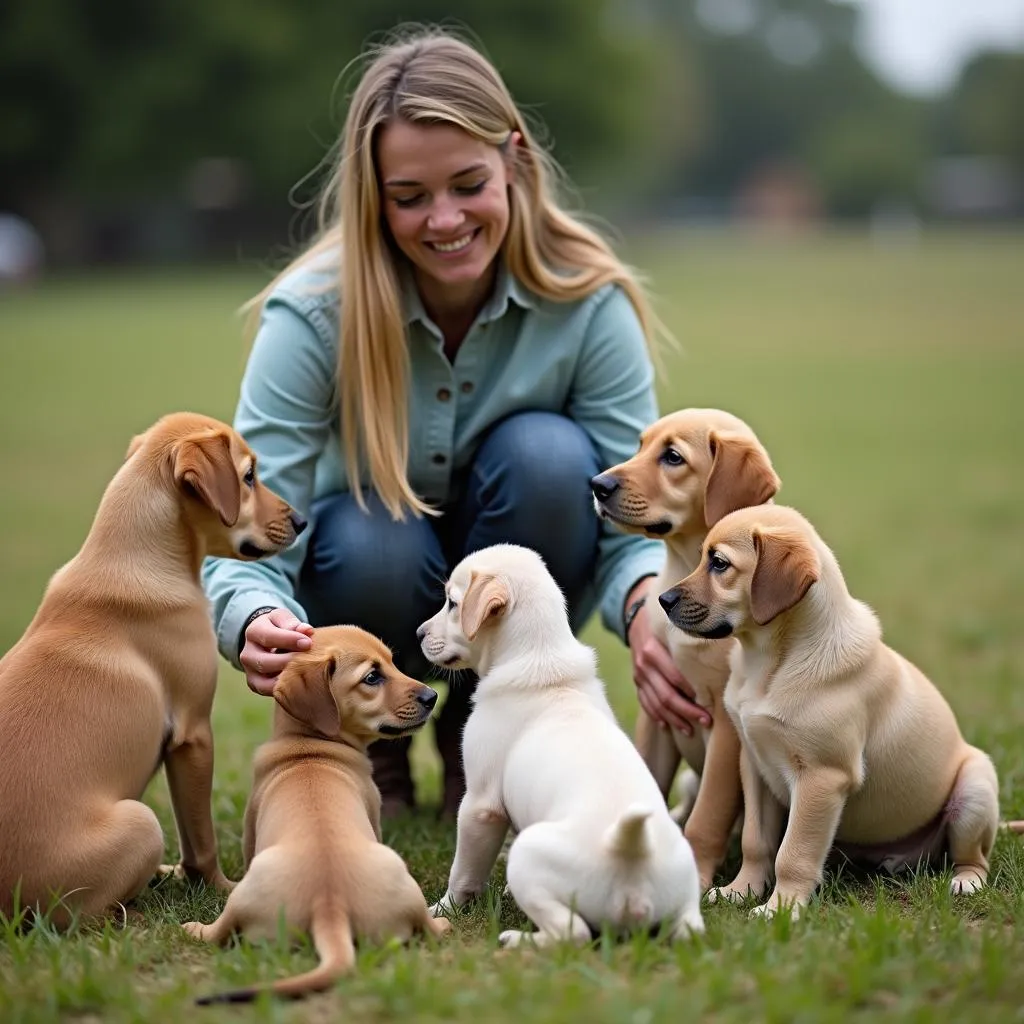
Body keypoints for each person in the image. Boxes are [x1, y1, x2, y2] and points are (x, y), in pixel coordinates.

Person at [202, 26, 710, 820]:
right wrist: (252, 617)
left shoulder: (588, 302)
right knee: (378, 536)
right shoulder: (310, 315)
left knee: (549, 459)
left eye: (468, 183)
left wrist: (648, 611)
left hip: (519, 587)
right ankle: (385, 745)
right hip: (365, 571)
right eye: (409, 197)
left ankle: (486, 731)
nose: (443, 220)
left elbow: (632, 521)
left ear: (514, 157)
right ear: (375, 194)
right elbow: (241, 528)